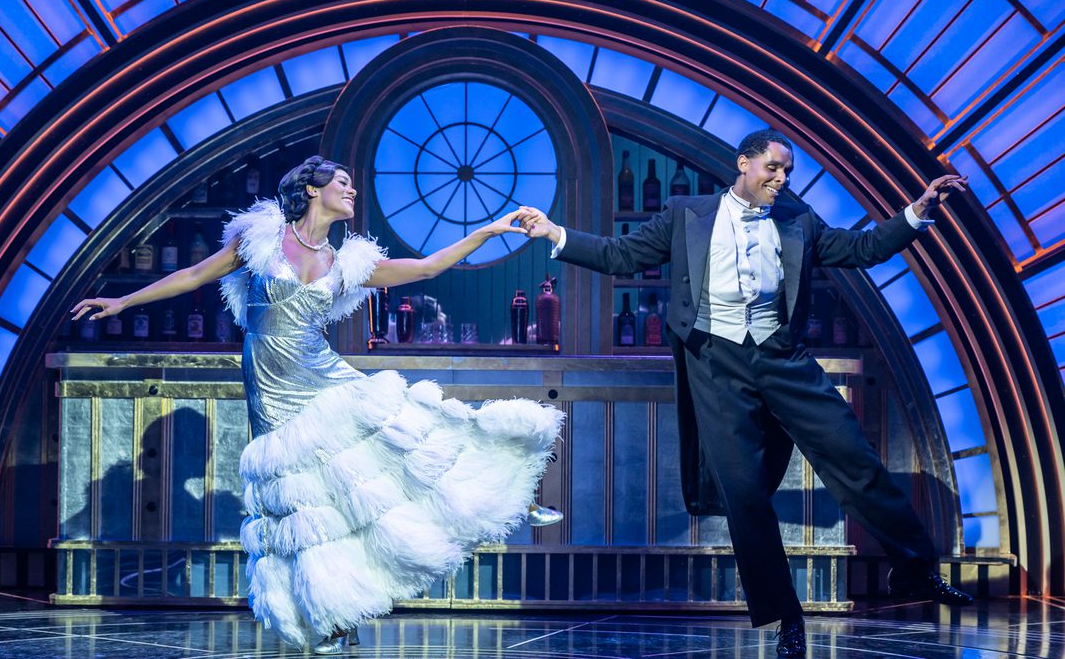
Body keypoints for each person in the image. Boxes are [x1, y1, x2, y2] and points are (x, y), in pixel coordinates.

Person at [72, 156, 564, 654]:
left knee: (409, 433)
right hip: (272, 388)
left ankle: (511, 492)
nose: (352, 191)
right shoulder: (261, 240)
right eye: (344, 183)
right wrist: (122, 303)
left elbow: (429, 266)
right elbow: (196, 274)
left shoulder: (345, 262)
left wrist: (489, 230)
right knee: (308, 507)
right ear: (312, 188)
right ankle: (333, 617)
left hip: (324, 376)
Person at [516, 129, 972, 658]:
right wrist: (555, 233)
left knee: (855, 460)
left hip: (782, 357)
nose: (780, 179)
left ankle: (914, 571)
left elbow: (862, 248)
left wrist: (916, 211)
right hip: (716, 363)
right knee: (746, 497)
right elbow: (621, 255)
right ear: (744, 164)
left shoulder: (797, 221)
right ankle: (786, 617)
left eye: (787, 173)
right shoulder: (687, 214)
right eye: (773, 168)